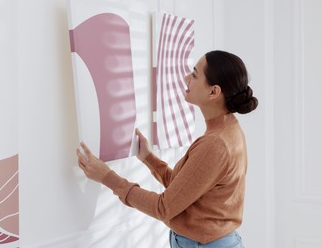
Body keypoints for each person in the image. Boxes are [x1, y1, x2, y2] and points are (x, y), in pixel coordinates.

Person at [76, 50, 258, 248]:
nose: (186, 78)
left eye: (195, 75)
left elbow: (164, 207)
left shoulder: (215, 144)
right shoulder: (229, 130)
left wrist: (107, 177)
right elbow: (184, 189)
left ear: (213, 92)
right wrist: (148, 158)